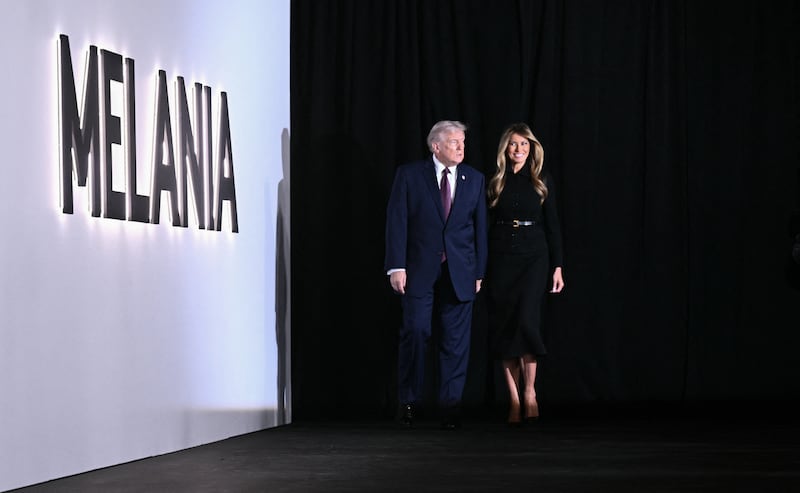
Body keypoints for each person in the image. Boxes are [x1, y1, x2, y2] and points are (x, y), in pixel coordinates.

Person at [384, 120, 488, 430]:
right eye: (454, 142)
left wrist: (479, 270)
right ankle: (408, 402)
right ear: (436, 146)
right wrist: (396, 266)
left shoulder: (475, 179)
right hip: (418, 270)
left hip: (460, 271)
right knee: (416, 333)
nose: (460, 147)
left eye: (463, 143)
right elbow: (397, 222)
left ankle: (450, 406)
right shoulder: (410, 175)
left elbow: (479, 228)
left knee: (455, 343)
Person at [485, 122, 565, 426]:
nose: (518, 150)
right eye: (513, 144)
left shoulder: (541, 179)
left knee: (527, 321)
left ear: (532, 149)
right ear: (505, 148)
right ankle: (514, 400)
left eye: (524, 145)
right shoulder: (496, 181)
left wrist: (558, 265)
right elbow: (485, 226)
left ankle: (530, 392)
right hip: (502, 257)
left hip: (535, 256)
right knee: (506, 325)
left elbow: (554, 225)